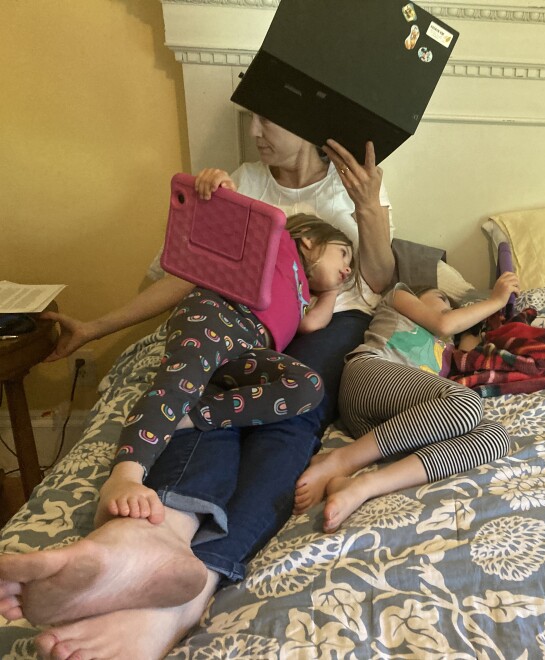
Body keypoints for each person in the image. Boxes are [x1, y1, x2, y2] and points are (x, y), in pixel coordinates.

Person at [0, 116, 395, 659]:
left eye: (267, 117)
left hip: (328, 324)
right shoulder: (242, 182)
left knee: (289, 422)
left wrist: (369, 208)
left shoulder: (350, 187)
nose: (255, 129)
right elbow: (187, 276)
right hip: (237, 322)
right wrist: (94, 328)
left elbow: (378, 280)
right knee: (204, 403)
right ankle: (151, 537)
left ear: (306, 120)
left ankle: (188, 593)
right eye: (249, 115)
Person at [98, 214, 354, 528]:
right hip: (215, 315)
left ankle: (187, 417)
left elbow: (312, 324)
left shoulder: (304, 296)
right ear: (309, 240)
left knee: (307, 386)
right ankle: (126, 473)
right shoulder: (279, 245)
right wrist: (219, 187)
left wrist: (329, 293)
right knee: (180, 381)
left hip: (248, 346)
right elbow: (233, 224)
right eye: (343, 253)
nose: (348, 267)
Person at [294, 273, 520, 532]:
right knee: (467, 403)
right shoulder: (398, 295)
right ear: (419, 295)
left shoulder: (448, 347)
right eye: (441, 300)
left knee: (495, 436)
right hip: (369, 377)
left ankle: (364, 486)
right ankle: (341, 460)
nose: (448, 308)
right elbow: (445, 324)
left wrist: (479, 329)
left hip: (393, 430)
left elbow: (470, 350)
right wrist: (495, 299)